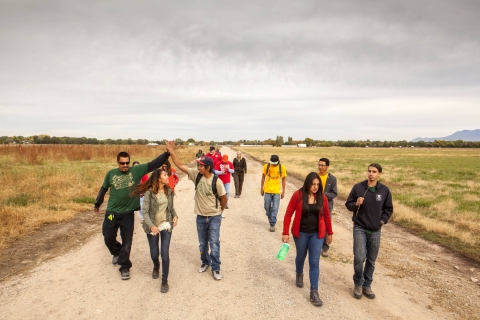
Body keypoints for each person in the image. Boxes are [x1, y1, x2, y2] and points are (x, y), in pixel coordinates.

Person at [93, 145, 171, 280]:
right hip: (112, 212)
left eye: (127, 162)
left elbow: (154, 164)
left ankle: (124, 267)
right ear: (118, 163)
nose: (125, 165)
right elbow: (104, 188)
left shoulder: (136, 171)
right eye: (122, 163)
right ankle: (117, 252)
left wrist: (167, 153)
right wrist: (98, 203)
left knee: (127, 241)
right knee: (107, 236)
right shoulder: (111, 173)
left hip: (127, 214)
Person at [165, 142, 227, 281]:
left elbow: (224, 198)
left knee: (214, 243)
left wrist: (218, 212)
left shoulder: (217, 181)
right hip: (200, 217)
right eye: (198, 165)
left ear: (208, 168)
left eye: (201, 166)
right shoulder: (196, 175)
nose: (198, 167)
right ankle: (205, 262)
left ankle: (216, 268)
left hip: (214, 217)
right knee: (202, 243)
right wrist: (171, 152)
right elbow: (180, 165)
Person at [282, 172, 333, 307]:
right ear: (307, 184)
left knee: (314, 261)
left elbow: (327, 216)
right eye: (313, 184)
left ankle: (314, 292)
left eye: (317, 184)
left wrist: (330, 233)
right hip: (301, 233)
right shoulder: (298, 195)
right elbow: (288, 213)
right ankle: (299, 273)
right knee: (300, 256)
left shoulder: (323, 198)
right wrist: (285, 232)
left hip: (317, 234)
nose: (315, 187)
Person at [345, 163, 393, 300]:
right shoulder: (358, 187)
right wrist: (356, 204)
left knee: (371, 260)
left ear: (379, 174)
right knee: (359, 258)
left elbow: (388, 209)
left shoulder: (384, 190)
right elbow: (348, 204)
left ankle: (367, 285)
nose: (371, 174)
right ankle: (358, 283)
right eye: (369, 171)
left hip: (376, 230)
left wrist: (382, 221)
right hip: (360, 227)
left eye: (374, 171)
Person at [130, 168, 178, 293]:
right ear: (158, 178)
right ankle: (156, 266)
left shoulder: (169, 191)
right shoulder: (149, 193)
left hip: (165, 224)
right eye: (165, 175)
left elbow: (171, 208)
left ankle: (164, 281)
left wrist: (175, 216)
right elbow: (144, 211)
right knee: (154, 253)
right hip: (152, 226)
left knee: (165, 253)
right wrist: (151, 226)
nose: (168, 177)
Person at [260, 154, 286, 232]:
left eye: (275, 163)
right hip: (267, 190)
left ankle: (272, 223)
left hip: (277, 191)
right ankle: (270, 216)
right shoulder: (266, 166)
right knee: (267, 207)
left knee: (275, 208)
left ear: (278, 162)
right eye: (272, 163)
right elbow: (263, 177)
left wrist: (283, 191)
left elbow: (284, 179)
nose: (273, 165)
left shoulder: (282, 168)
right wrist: (262, 188)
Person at [317, 158, 337, 257]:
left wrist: (323, 194)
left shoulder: (332, 179)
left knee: (325, 225)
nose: (320, 167)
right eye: (319, 165)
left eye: (322, 165)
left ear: (327, 167)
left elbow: (334, 194)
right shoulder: (314, 176)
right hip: (314, 204)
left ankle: (325, 248)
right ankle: (314, 244)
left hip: (326, 206)